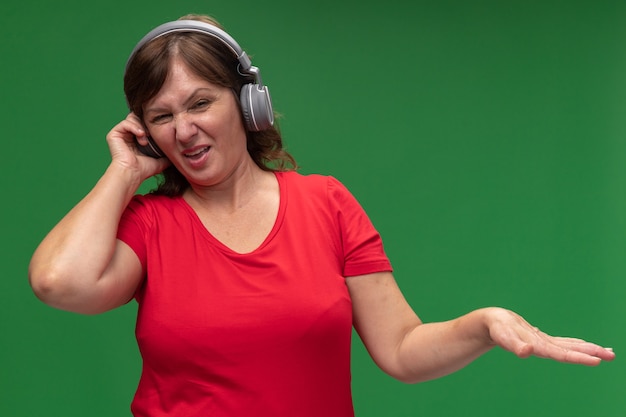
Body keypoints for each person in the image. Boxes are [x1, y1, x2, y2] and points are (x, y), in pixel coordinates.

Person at [28, 13, 615, 417]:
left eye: (201, 102)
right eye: (161, 116)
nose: (184, 130)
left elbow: (402, 349)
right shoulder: (150, 224)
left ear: (248, 101)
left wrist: (483, 324)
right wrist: (125, 172)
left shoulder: (326, 203)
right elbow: (59, 282)